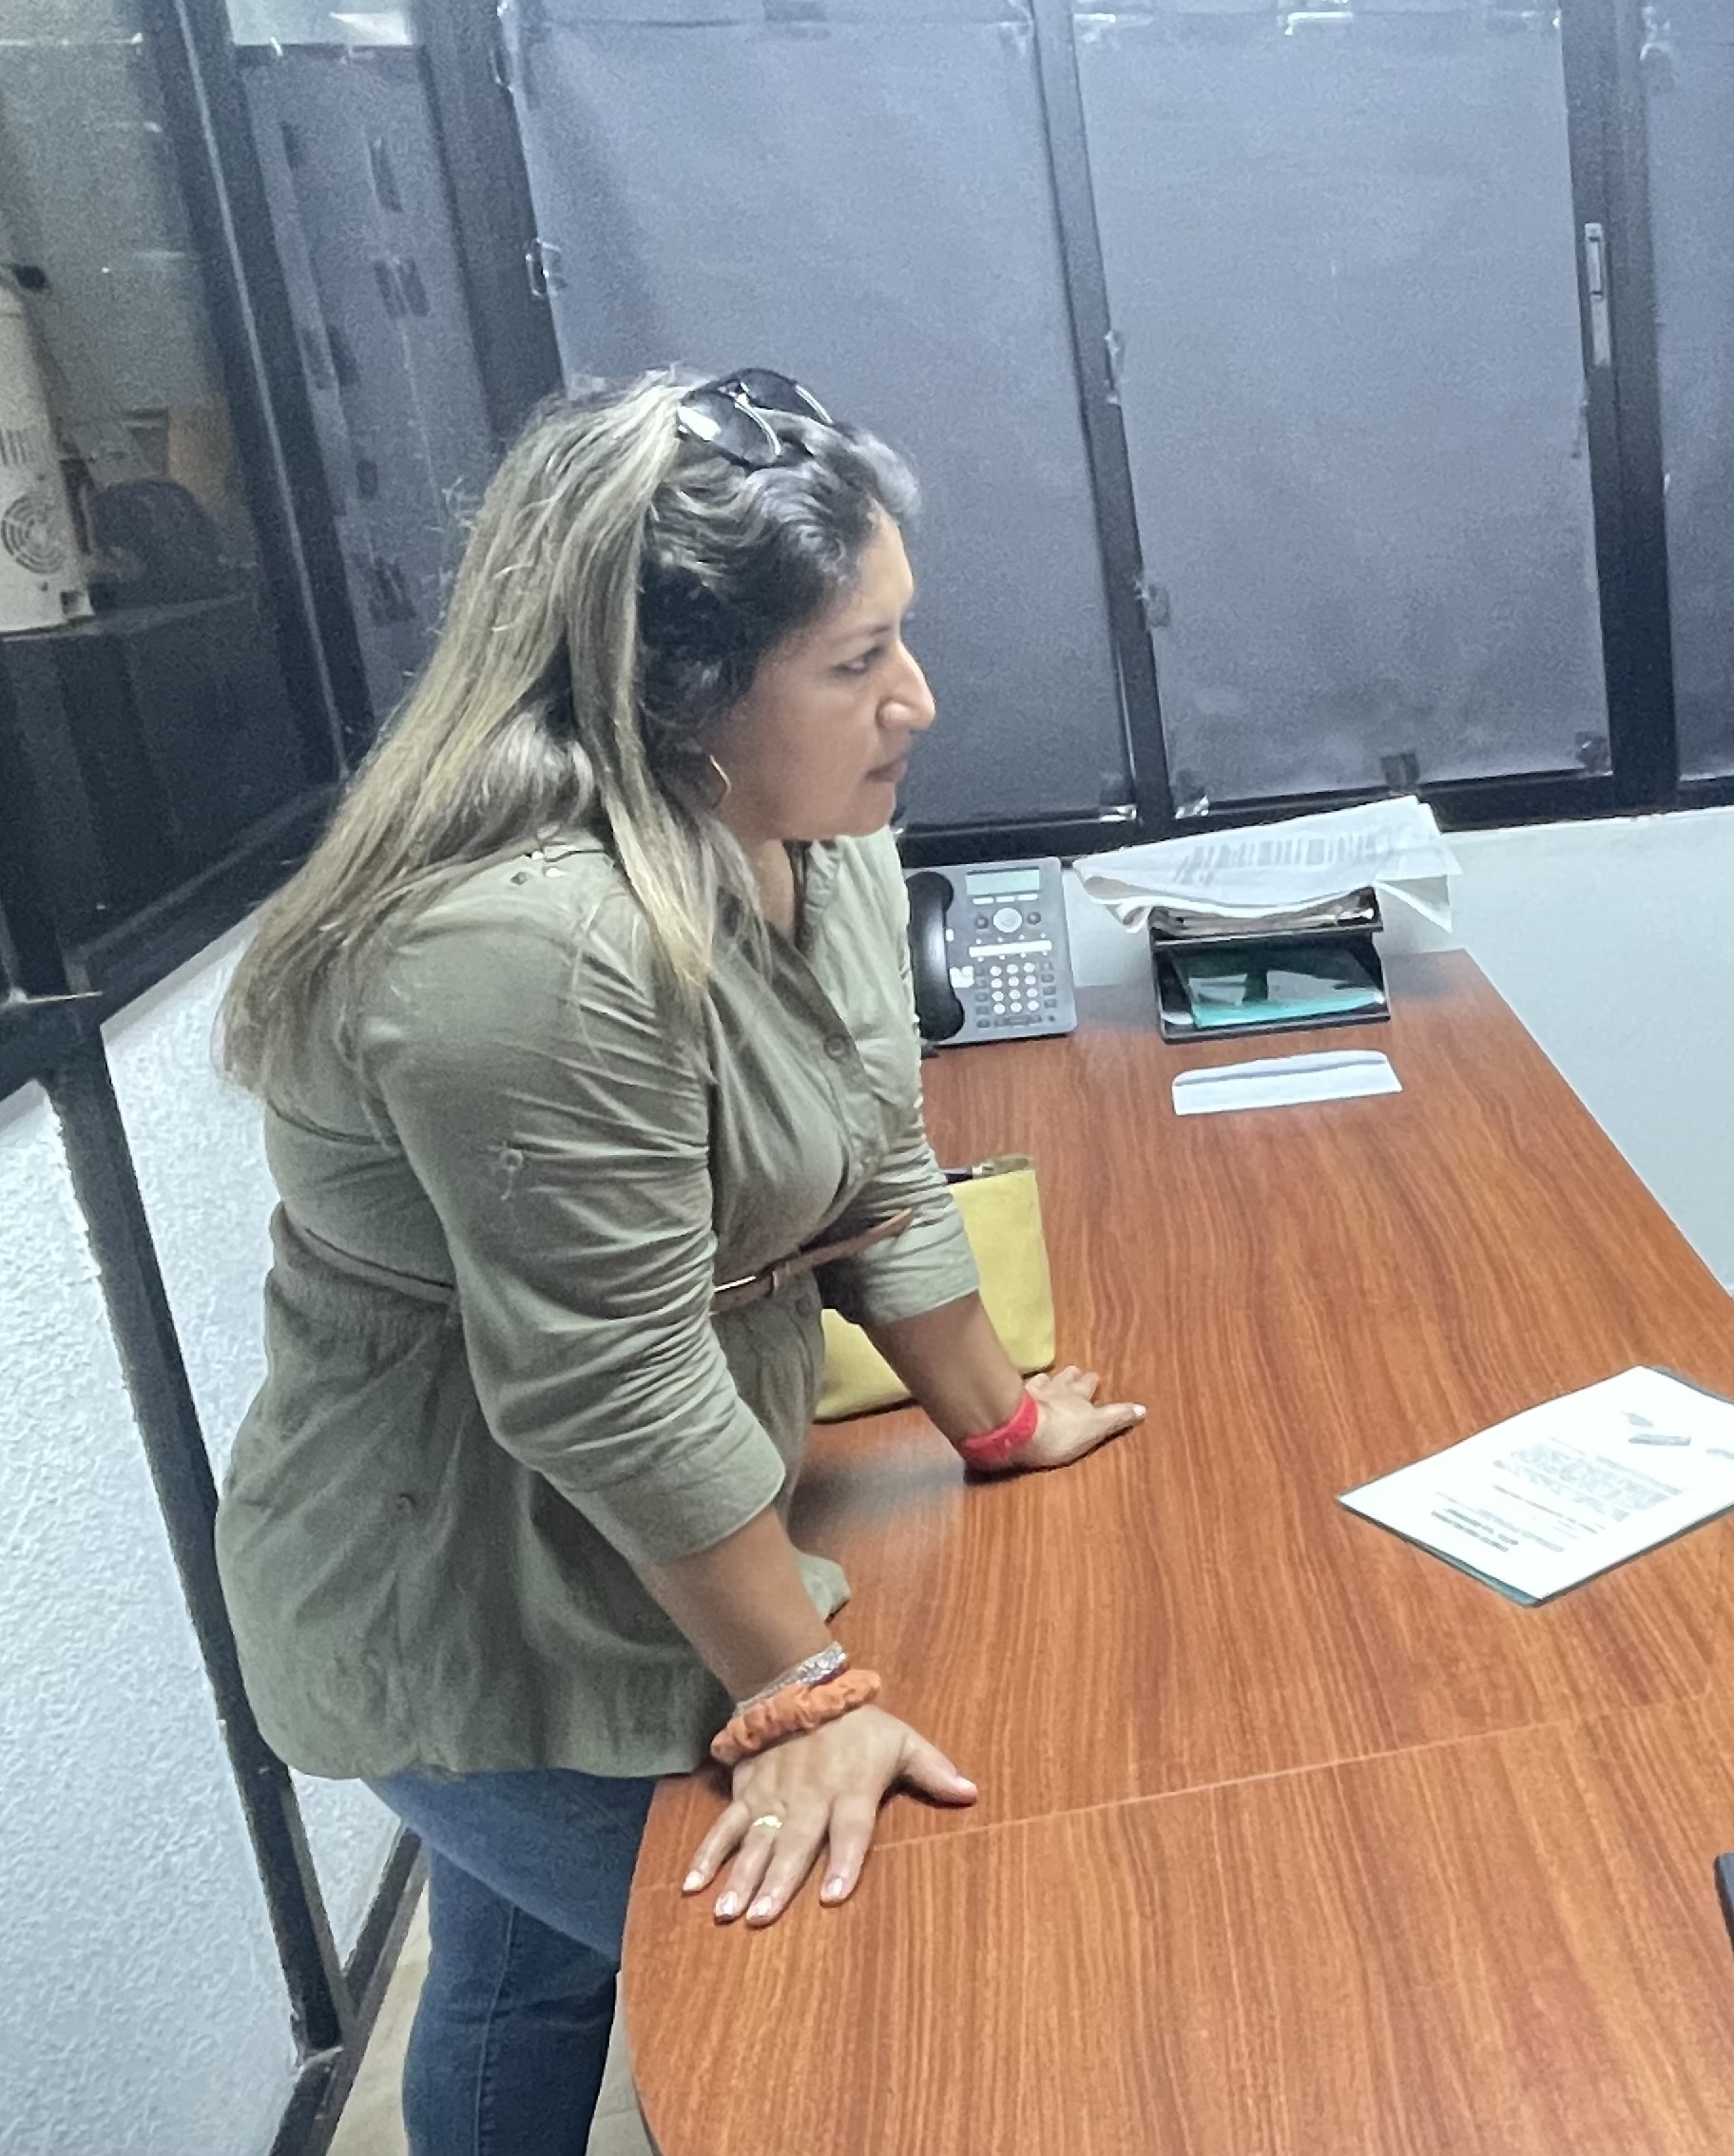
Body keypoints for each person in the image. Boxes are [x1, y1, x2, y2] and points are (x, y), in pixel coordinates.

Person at [215, 370, 1147, 2156]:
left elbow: (875, 1149)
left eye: (902, 636)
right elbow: (612, 1378)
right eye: (855, 660)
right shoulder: (529, 947)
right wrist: (805, 1692)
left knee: (522, 1972)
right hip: (465, 1585)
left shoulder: (811, 839)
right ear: (675, 693)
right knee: (842, 1995)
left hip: (650, 1530)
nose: (917, 699)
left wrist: (999, 1414)